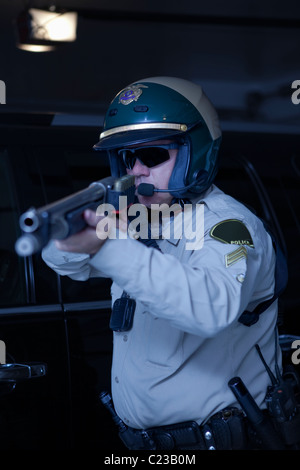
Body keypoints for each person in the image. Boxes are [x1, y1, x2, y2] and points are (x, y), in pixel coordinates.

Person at [42, 77, 284, 450]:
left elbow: (211, 308)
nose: (137, 170)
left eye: (152, 156)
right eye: (128, 157)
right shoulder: (141, 217)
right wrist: (81, 221)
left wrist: (109, 246)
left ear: (195, 152)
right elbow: (61, 261)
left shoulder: (229, 226)